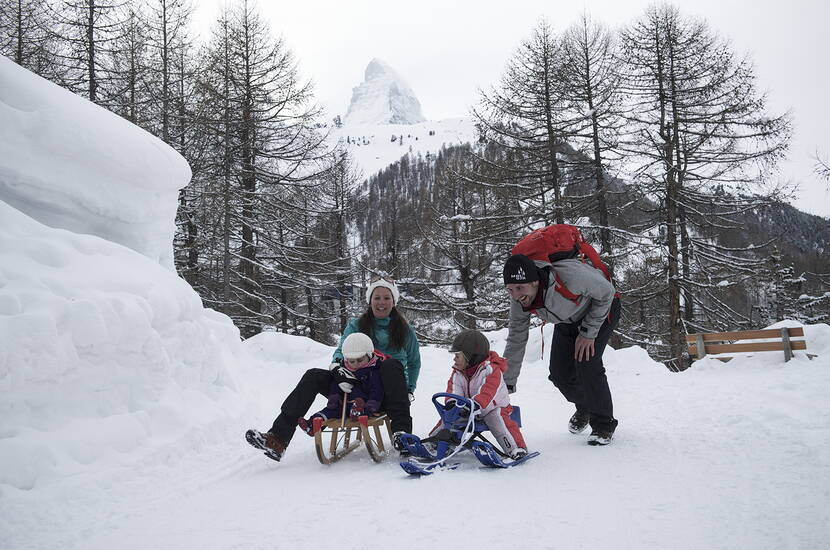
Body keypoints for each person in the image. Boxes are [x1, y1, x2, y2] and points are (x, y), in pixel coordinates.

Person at [245, 276, 421, 461]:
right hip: (354, 389)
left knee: (390, 365)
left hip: (386, 392)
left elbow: (414, 362)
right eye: (377, 297)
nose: (381, 302)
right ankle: (278, 438)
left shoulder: (404, 329)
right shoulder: (357, 326)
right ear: (370, 301)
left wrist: (409, 390)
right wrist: (339, 370)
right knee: (313, 376)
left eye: (387, 297)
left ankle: (402, 434)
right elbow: (340, 351)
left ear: (394, 301)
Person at [502, 253, 621, 445]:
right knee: (559, 374)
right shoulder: (520, 299)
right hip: (567, 319)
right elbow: (517, 335)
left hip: (600, 310)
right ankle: (585, 407)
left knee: (587, 364)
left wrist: (588, 333)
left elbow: (607, 292)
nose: (515, 295)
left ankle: (603, 425)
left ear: (534, 282)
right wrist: (506, 381)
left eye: (519, 288)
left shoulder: (570, 276)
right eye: (510, 290)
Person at [440, 329, 528, 459]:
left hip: (493, 407)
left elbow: (487, 393)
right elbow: (453, 388)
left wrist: (475, 405)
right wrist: (452, 403)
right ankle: (436, 443)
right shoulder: (458, 372)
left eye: (457, 355)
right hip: (469, 409)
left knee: (497, 420)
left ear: (470, 356)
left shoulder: (491, 370)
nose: (454, 359)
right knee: (448, 417)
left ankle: (516, 448)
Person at [297, 333, 384, 434]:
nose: (356, 364)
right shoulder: (343, 370)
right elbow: (336, 384)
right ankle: (313, 424)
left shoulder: (373, 371)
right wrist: (334, 396)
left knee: (362, 409)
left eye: (360, 360)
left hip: (364, 404)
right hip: (343, 405)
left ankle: (357, 412)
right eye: (352, 361)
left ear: (369, 356)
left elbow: (377, 390)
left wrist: (372, 404)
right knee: (328, 411)